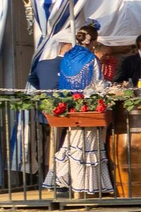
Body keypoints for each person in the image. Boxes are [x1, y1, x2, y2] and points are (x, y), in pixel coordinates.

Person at [43, 23, 114, 197]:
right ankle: (81, 187)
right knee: (84, 147)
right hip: (88, 108)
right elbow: (98, 84)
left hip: (70, 107)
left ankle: (65, 182)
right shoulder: (91, 59)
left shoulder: (67, 56)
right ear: (93, 42)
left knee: (71, 144)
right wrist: (111, 88)